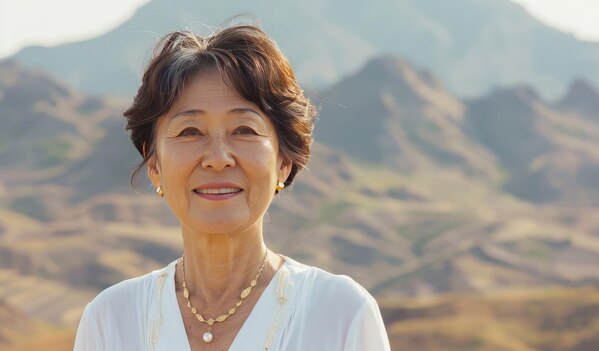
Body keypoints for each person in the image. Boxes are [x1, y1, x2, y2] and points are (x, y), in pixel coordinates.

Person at [73, 23, 391, 351]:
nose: (218, 158)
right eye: (190, 131)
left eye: (244, 129)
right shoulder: (111, 320)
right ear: (154, 165)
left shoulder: (340, 314)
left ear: (284, 160)